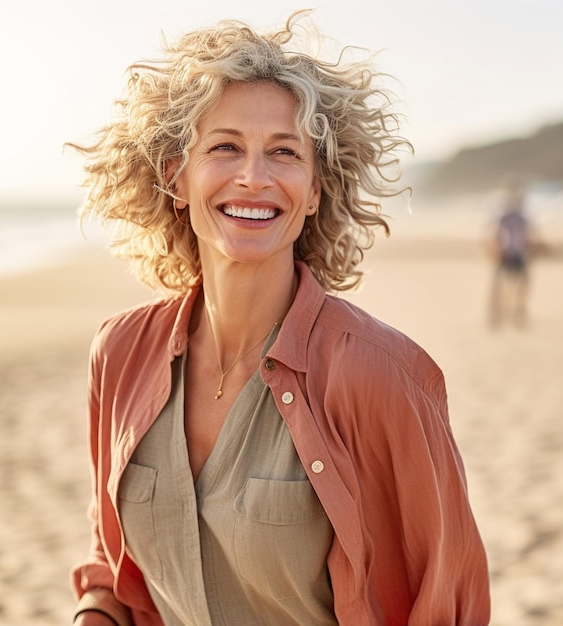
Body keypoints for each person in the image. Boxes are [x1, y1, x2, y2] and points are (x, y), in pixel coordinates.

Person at [69, 11, 490, 626]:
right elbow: (112, 559)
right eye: (225, 147)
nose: (254, 177)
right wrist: (94, 613)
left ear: (315, 190)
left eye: (284, 152)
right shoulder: (120, 353)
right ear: (175, 177)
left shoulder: (383, 376)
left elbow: (445, 604)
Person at [487, 182, 536, 328]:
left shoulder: (517, 217)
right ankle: (503, 313)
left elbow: (524, 237)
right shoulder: (514, 217)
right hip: (511, 253)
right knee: (510, 285)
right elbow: (500, 235)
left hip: (512, 253)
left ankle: (513, 313)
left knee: (517, 285)